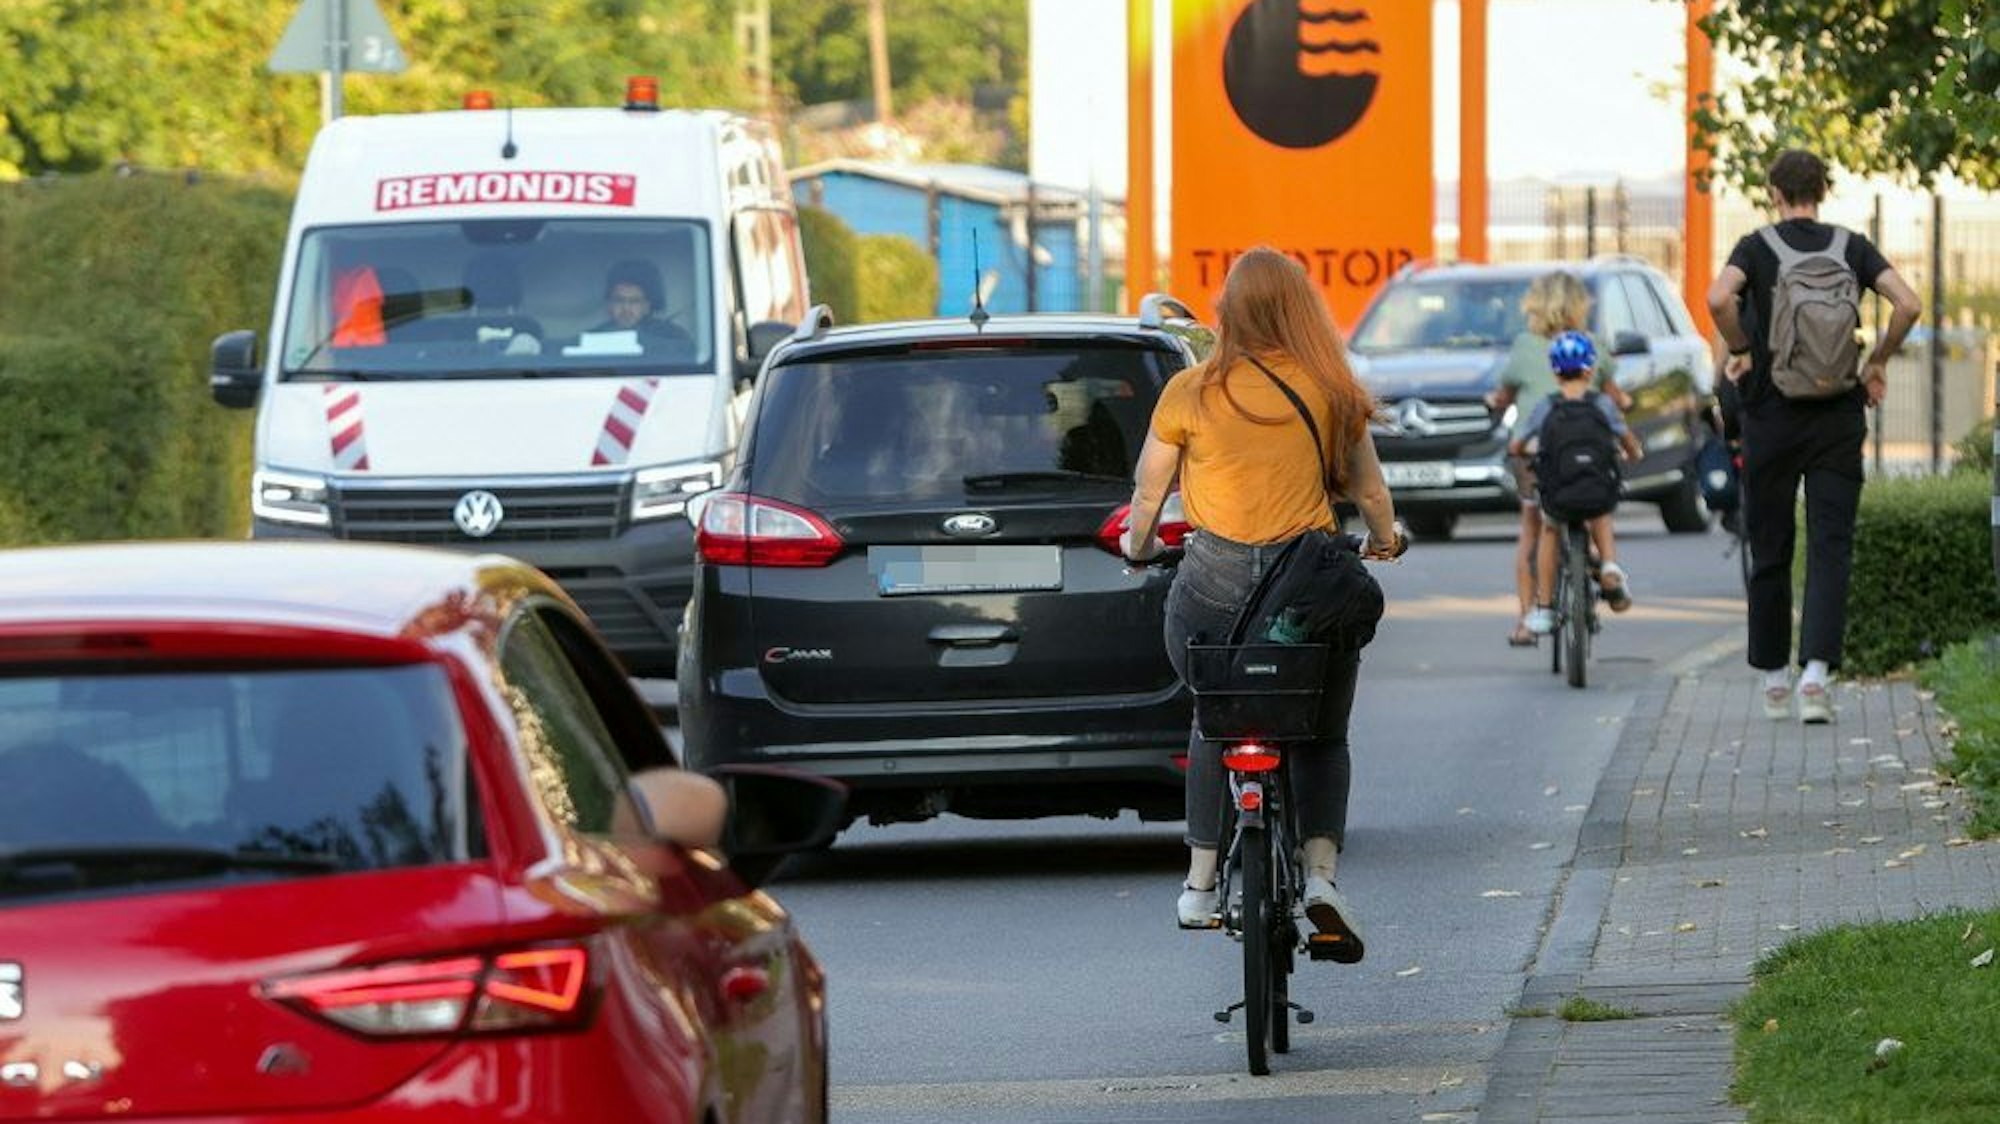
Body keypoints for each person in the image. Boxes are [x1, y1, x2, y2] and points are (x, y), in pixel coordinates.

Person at [1119, 247, 1404, 961]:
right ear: (1298, 309)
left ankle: (1201, 880)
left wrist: (1137, 546)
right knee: (1322, 732)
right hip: (1305, 596)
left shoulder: (1189, 391)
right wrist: (1386, 540)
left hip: (1210, 593)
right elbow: (1370, 495)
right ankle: (1320, 878)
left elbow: (1149, 496)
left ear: (1229, 313)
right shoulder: (1332, 390)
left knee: (1213, 717)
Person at [1705, 148, 1921, 724]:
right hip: (1837, 416)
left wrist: (1745, 351)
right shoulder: (1850, 246)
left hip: (1770, 418)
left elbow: (1717, 298)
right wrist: (1877, 361)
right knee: (1831, 546)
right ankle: (1816, 679)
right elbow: (1909, 302)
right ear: (1821, 191)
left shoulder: (1756, 247)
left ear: (1775, 192)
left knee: (1770, 546)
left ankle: (1774, 679)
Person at [1488, 271, 1632, 647]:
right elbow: (1617, 397)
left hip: (1539, 456)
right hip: (1586, 453)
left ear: (1535, 304)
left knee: (1533, 528)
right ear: (1580, 305)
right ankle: (1605, 569)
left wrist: (1496, 402)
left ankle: (1526, 619)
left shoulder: (1523, 346)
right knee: (1596, 504)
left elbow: (1503, 394)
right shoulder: (1595, 345)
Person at [1511, 331, 1643, 635]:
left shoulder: (1547, 406)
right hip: (1595, 488)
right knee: (1602, 510)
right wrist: (1634, 452)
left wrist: (1522, 450)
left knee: (1550, 527)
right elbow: (1625, 437)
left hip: (1559, 492)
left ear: (1555, 372)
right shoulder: (1603, 405)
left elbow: (1519, 444)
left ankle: (1544, 608)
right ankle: (1609, 564)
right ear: (1590, 369)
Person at [589, 259, 694, 353]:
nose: (626, 308)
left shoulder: (674, 337)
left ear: (648, 305)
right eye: (619, 300)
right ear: (609, 304)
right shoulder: (592, 339)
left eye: (635, 301)